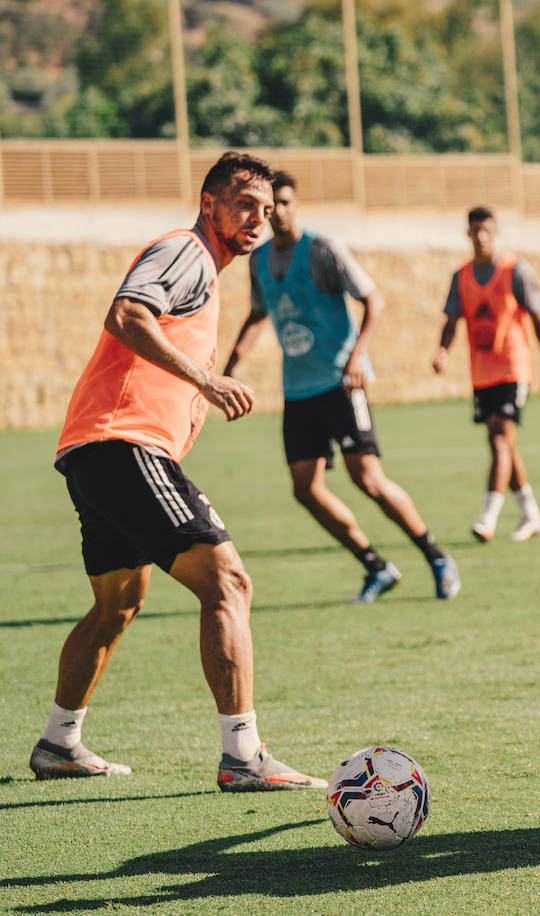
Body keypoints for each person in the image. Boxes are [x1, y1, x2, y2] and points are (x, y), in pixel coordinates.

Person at [30, 152, 326, 791]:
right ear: (210, 200)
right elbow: (127, 314)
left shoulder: (208, 271)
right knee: (229, 583)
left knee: (118, 603)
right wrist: (207, 381)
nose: (257, 218)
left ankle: (59, 741)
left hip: (93, 451)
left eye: (267, 209)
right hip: (124, 446)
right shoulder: (185, 251)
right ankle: (243, 756)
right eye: (245, 203)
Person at [224, 171, 460, 603]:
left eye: (286, 203)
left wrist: (357, 355)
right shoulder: (258, 261)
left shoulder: (322, 249)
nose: (277, 214)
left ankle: (436, 557)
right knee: (305, 490)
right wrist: (229, 367)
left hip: (340, 383)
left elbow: (374, 300)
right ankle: (376, 566)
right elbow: (258, 315)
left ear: (298, 205)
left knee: (367, 478)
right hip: (298, 391)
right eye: (269, 207)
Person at [432, 206, 540, 543]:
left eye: (487, 230)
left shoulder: (515, 270)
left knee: (500, 438)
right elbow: (451, 319)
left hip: (513, 368)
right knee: (503, 444)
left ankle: (487, 517)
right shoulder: (462, 277)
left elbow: (538, 317)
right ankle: (531, 514)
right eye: (476, 231)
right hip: (482, 373)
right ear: (468, 234)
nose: (482, 237)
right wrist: (442, 350)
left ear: (496, 232)